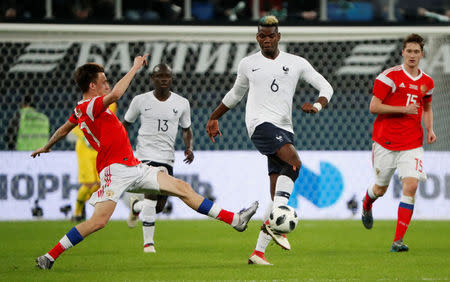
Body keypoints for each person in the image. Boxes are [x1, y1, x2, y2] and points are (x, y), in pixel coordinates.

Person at [32, 55, 259, 270]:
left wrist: (48, 146)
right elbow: (118, 93)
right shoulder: (89, 106)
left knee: (183, 188)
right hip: (115, 170)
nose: (107, 84)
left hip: (133, 166)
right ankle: (49, 256)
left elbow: (65, 127)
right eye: (103, 81)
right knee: (98, 221)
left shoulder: (80, 110)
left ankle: (236, 220)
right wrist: (136, 66)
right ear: (92, 86)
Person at [206, 15, 333, 265]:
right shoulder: (248, 63)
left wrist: (318, 106)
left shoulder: (296, 63)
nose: (266, 40)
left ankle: (259, 251)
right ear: (257, 37)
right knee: (294, 163)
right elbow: (236, 93)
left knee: (278, 199)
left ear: (278, 37)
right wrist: (213, 117)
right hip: (259, 124)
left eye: (270, 35)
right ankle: (276, 224)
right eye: (262, 36)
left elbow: (326, 86)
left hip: (285, 129)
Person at [361, 33, 436, 252]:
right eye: (409, 51)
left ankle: (398, 241)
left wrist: (430, 129)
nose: (412, 55)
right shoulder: (389, 77)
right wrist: (403, 109)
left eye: (416, 52)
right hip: (385, 142)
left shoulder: (427, 82)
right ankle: (367, 204)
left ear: (422, 54)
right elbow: (374, 107)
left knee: (411, 185)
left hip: (412, 143)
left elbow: (428, 107)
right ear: (403, 52)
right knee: (380, 189)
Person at [122, 63, 194, 253]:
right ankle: (148, 244)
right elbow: (125, 124)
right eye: (160, 76)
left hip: (167, 158)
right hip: (145, 155)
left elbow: (187, 129)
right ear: (152, 79)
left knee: (159, 206)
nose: (164, 79)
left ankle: (136, 206)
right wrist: (122, 148)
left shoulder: (181, 103)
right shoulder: (140, 101)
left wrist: (189, 148)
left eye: (167, 76)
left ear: (171, 78)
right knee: (152, 196)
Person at [68, 102, 117, 222]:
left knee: (100, 184)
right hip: (85, 149)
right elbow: (74, 127)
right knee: (89, 183)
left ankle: (83, 203)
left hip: (98, 148)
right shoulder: (86, 104)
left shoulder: (111, 104)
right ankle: (77, 213)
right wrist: (84, 136)